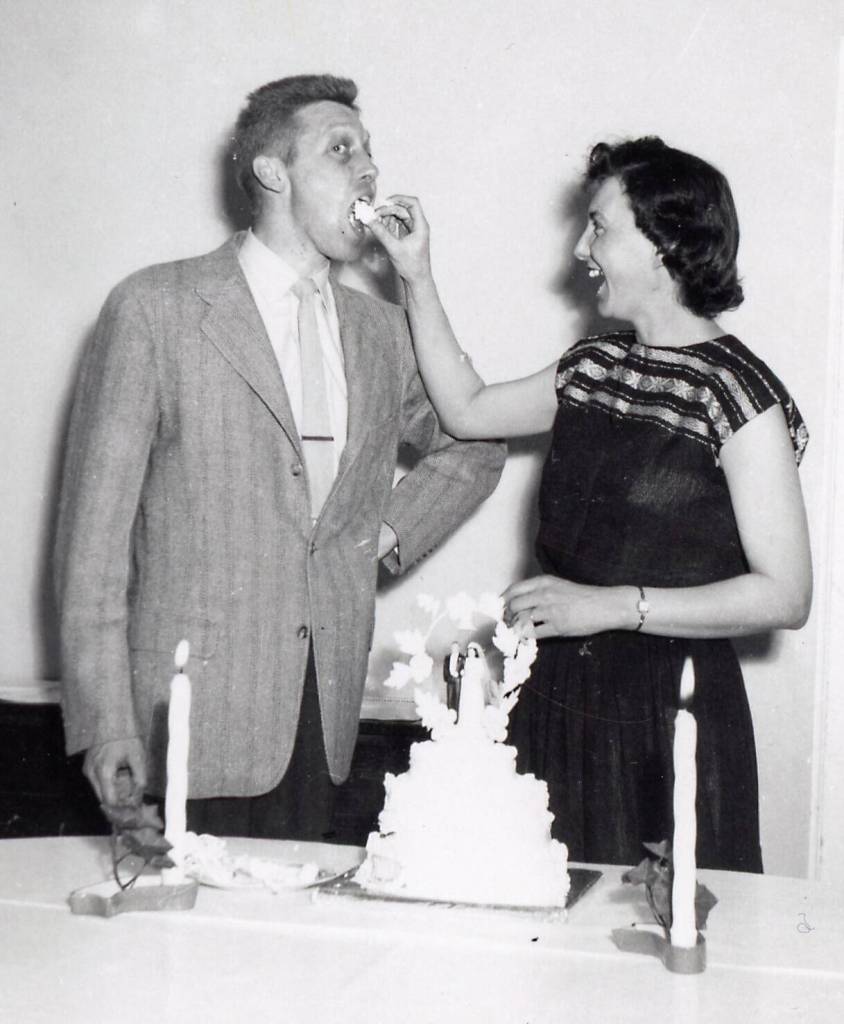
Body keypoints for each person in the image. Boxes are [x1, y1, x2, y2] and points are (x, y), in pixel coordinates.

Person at [54, 74, 505, 841]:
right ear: (271, 170)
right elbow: (91, 550)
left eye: (371, 154)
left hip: (319, 727)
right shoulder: (155, 309)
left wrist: (378, 541)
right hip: (183, 726)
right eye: (341, 150)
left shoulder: (382, 331)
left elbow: (477, 440)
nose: (369, 170)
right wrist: (106, 722)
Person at [369, 137, 812, 871]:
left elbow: (785, 595)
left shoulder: (738, 396)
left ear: (665, 244)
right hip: (555, 693)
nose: (580, 247)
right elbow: (467, 409)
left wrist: (610, 605)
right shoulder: (595, 363)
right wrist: (415, 273)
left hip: (673, 708)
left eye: (601, 226)